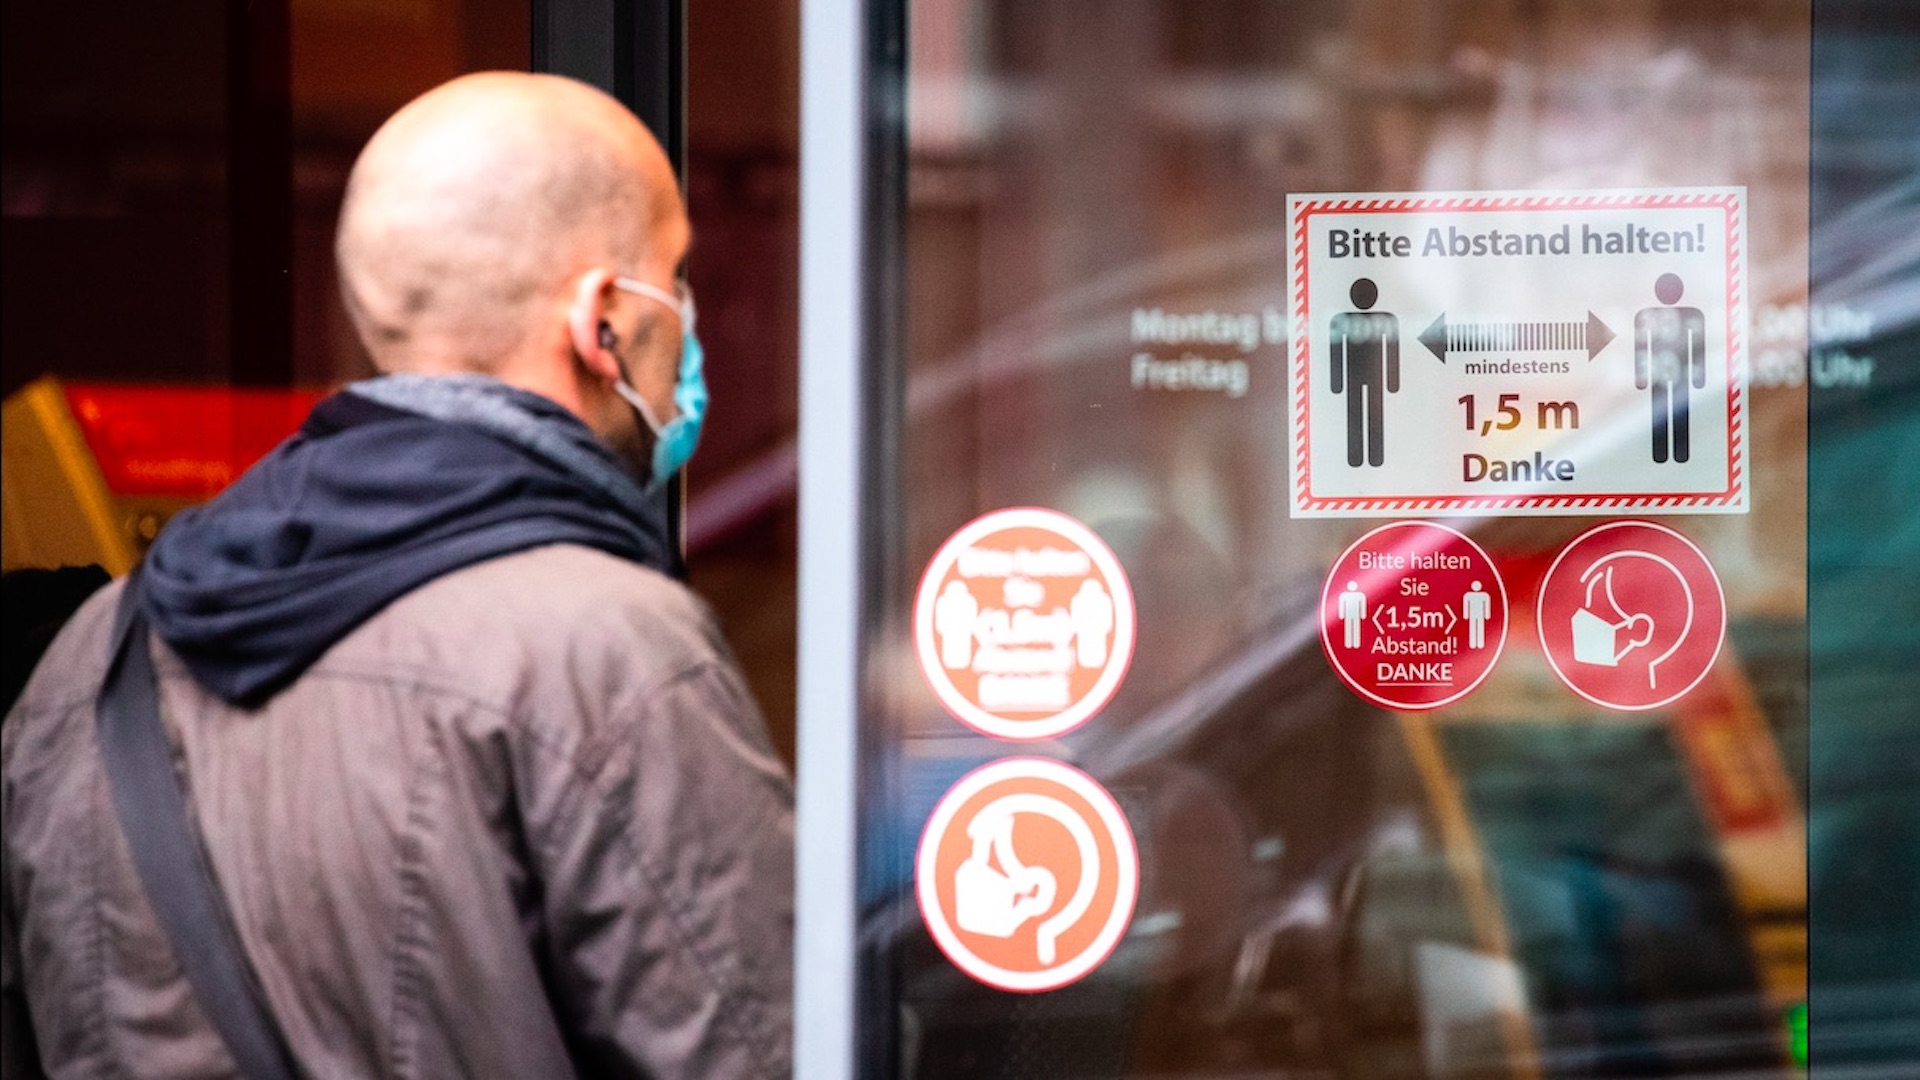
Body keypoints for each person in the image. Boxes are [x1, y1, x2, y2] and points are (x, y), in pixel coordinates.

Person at [2, 73, 793, 1079]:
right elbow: (764, 1050)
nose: (686, 319)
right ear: (603, 321)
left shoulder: (87, 661)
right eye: (674, 276)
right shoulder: (608, 648)